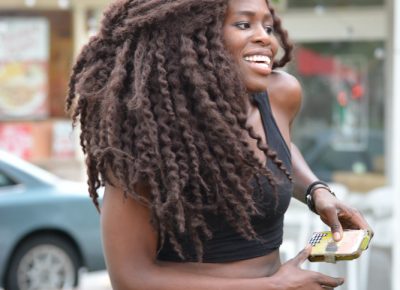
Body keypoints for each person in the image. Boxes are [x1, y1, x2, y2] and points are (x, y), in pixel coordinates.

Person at [66, 0, 373, 289]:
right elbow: (130, 277)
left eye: (268, 27)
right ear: (192, 33)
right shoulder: (144, 137)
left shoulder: (281, 95)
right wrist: (270, 286)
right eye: (244, 25)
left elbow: (278, 149)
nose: (266, 39)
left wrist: (316, 192)